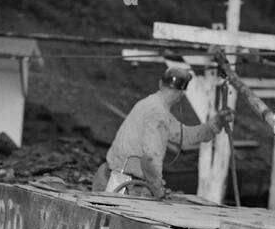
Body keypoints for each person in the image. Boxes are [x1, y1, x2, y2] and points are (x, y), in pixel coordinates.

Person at [92, 65, 231, 198]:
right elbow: (150, 158)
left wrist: (214, 125)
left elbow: (185, 136)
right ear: (181, 93)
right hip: (122, 186)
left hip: (112, 178)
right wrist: (157, 189)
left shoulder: (152, 105)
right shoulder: (158, 113)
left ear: (160, 84)